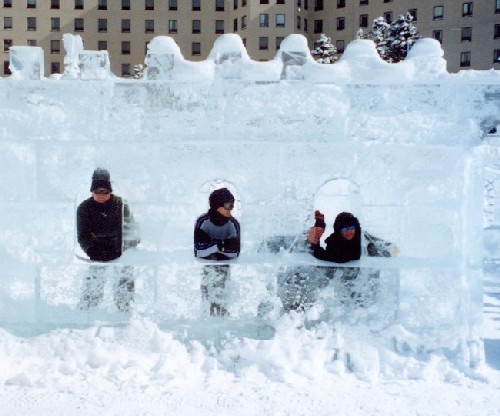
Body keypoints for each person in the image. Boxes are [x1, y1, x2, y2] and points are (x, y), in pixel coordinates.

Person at [76, 168, 139, 311]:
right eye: (98, 192)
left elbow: (131, 230)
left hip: (120, 249)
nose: (102, 195)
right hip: (97, 251)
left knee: (125, 276)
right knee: (94, 279)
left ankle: (126, 309)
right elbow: (83, 235)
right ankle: (88, 310)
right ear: (92, 191)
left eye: (105, 192)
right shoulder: (84, 208)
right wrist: (92, 250)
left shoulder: (121, 205)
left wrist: (123, 249)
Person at [194, 187, 240, 316]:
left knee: (223, 296)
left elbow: (235, 251)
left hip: (225, 267)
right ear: (217, 206)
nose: (231, 209)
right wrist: (221, 245)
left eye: (232, 205)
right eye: (228, 205)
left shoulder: (233, 223)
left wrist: (214, 248)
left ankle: (222, 318)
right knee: (207, 296)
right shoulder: (202, 222)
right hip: (207, 267)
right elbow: (199, 250)